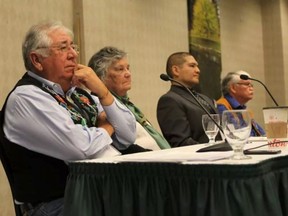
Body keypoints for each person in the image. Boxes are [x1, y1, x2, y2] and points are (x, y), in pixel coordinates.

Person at [0, 21, 138, 216]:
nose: (73, 54)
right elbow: (82, 149)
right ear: (37, 60)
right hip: (56, 202)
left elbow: (127, 136)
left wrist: (103, 92)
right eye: (63, 48)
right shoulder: (27, 97)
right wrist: (107, 127)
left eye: (73, 46)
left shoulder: (78, 94)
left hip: (95, 190)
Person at [88, 46, 171, 150]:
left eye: (128, 68)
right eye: (120, 69)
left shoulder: (126, 104)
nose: (128, 74)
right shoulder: (102, 107)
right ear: (100, 78)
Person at [157, 52, 220, 147]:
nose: (198, 70)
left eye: (197, 66)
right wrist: (212, 150)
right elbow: (181, 142)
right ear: (176, 70)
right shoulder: (169, 101)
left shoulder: (205, 98)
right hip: (200, 157)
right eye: (192, 66)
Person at [217, 70, 265, 136]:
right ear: (233, 88)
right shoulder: (222, 107)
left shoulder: (243, 109)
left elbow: (262, 134)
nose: (251, 88)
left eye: (251, 85)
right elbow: (238, 136)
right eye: (247, 84)